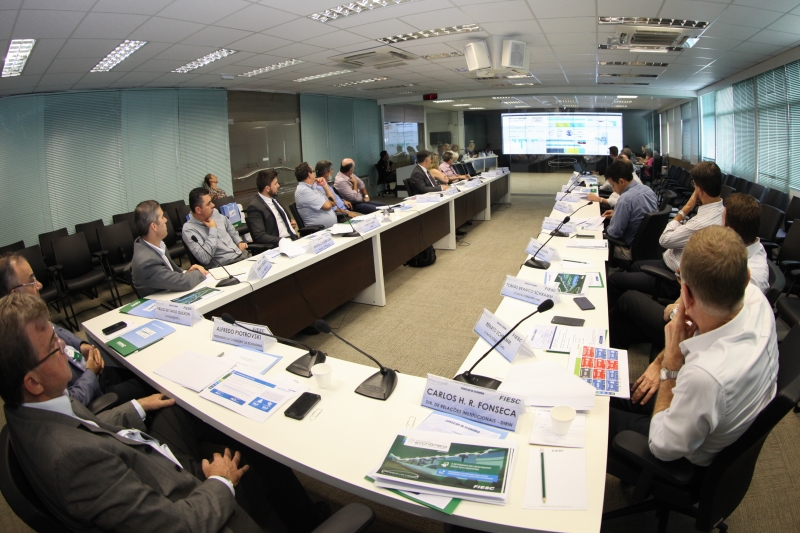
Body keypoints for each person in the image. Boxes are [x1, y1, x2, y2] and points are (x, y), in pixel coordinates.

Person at [0, 292, 328, 533]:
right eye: (55, 349)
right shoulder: (72, 460)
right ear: (32, 381)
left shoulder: (34, 407)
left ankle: (278, 491)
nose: (68, 350)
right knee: (250, 445)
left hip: (137, 455)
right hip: (178, 498)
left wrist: (136, 407)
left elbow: (85, 426)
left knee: (189, 403)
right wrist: (220, 483)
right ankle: (303, 518)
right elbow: (176, 526)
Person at [607, 226, 778, 467]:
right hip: (710, 411)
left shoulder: (705, 377)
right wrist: (659, 363)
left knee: (592, 414)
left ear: (685, 293)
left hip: (680, 451)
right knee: (606, 389)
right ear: (746, 277)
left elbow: (661, 446)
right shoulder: (755, 298)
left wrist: (670, 367)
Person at [609, 192, 770, 355]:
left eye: (722, 220)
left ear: (728, 230)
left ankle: (611, 353)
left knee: (628, 299)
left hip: (694, 334)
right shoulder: (752, 249)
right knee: (626, 323)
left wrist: (675, 310)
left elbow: (710, 324)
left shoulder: (749, 279)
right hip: (692, 308)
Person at [0, 254, 153, 406]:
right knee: (150, 384)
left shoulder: (28, 321)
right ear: (15, 293)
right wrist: (91, 373)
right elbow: (72, 402)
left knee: (142, 369)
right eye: (31, 281)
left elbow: (56, 329)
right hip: (97, 392)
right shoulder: (25, 351)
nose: (39, 285)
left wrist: (80, 344)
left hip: (95, 371)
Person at [607, 161, 724, 306]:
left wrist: (685, 209)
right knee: (636, 266)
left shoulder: (700, 223)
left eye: (693, 184)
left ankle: (621, 314)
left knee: (614, 280)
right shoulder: (722, 212)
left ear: (699, 190)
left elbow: (664, 239)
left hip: (673, 278)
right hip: (670, 261)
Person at [131, 200, 208, 297]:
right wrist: (199, 272)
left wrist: (188, 272)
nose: (166, 220)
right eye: (162, 217)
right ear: (154, 226)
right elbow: (184, 283)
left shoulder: (156, 245)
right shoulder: (146, 262)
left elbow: (172, 274)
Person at [602, 159, 658, 260]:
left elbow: (615, 233)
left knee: (597, 242)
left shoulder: (624, 200)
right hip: (649, 247)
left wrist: (604, 230)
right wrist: (617, 215)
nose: (613, 189)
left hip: (629, 250)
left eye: (613, 185)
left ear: (621, 181)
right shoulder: (648, 190)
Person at [182, 188, 249, 267]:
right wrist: (213, 229)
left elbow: (228, 225)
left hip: (242, 255)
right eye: (208, 203)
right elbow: (204, 258)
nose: (213, 205)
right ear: (198, 210)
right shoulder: (189, 229)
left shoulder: (214, 212)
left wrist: (239, 241)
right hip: (226, 265)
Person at [245, 169, 299, 248]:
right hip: (279, 245)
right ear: (267, 188)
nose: (278, 185)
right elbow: (259, 236)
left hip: (293, 239)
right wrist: (281, 240)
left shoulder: (274, 198)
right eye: (276, 183)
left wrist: (288, 223)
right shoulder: (255, 207)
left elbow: (278, 220)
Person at [294, 161, 338, 228]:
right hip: (319, 231)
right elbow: (328, 205)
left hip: (330, 229)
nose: (315, 173)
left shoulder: (312, 188)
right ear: (309, 174)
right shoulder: (303, 190)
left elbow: (333, 202)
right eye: (313, 171)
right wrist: (329, 203)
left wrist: (325, 185)